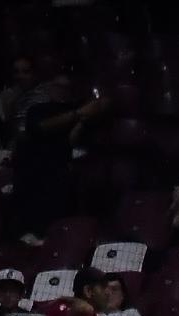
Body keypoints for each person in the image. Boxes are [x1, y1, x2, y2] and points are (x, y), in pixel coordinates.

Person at [11, 75, 107, 242]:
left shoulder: (81, 106)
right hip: (37, 167)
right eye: (57, 87)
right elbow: (40, 128)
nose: (61, 91)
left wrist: (82, 120)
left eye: (66, 87)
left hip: (64, 170)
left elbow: (104, 104)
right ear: (49, 89)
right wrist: (78, 114)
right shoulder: (39, 110)